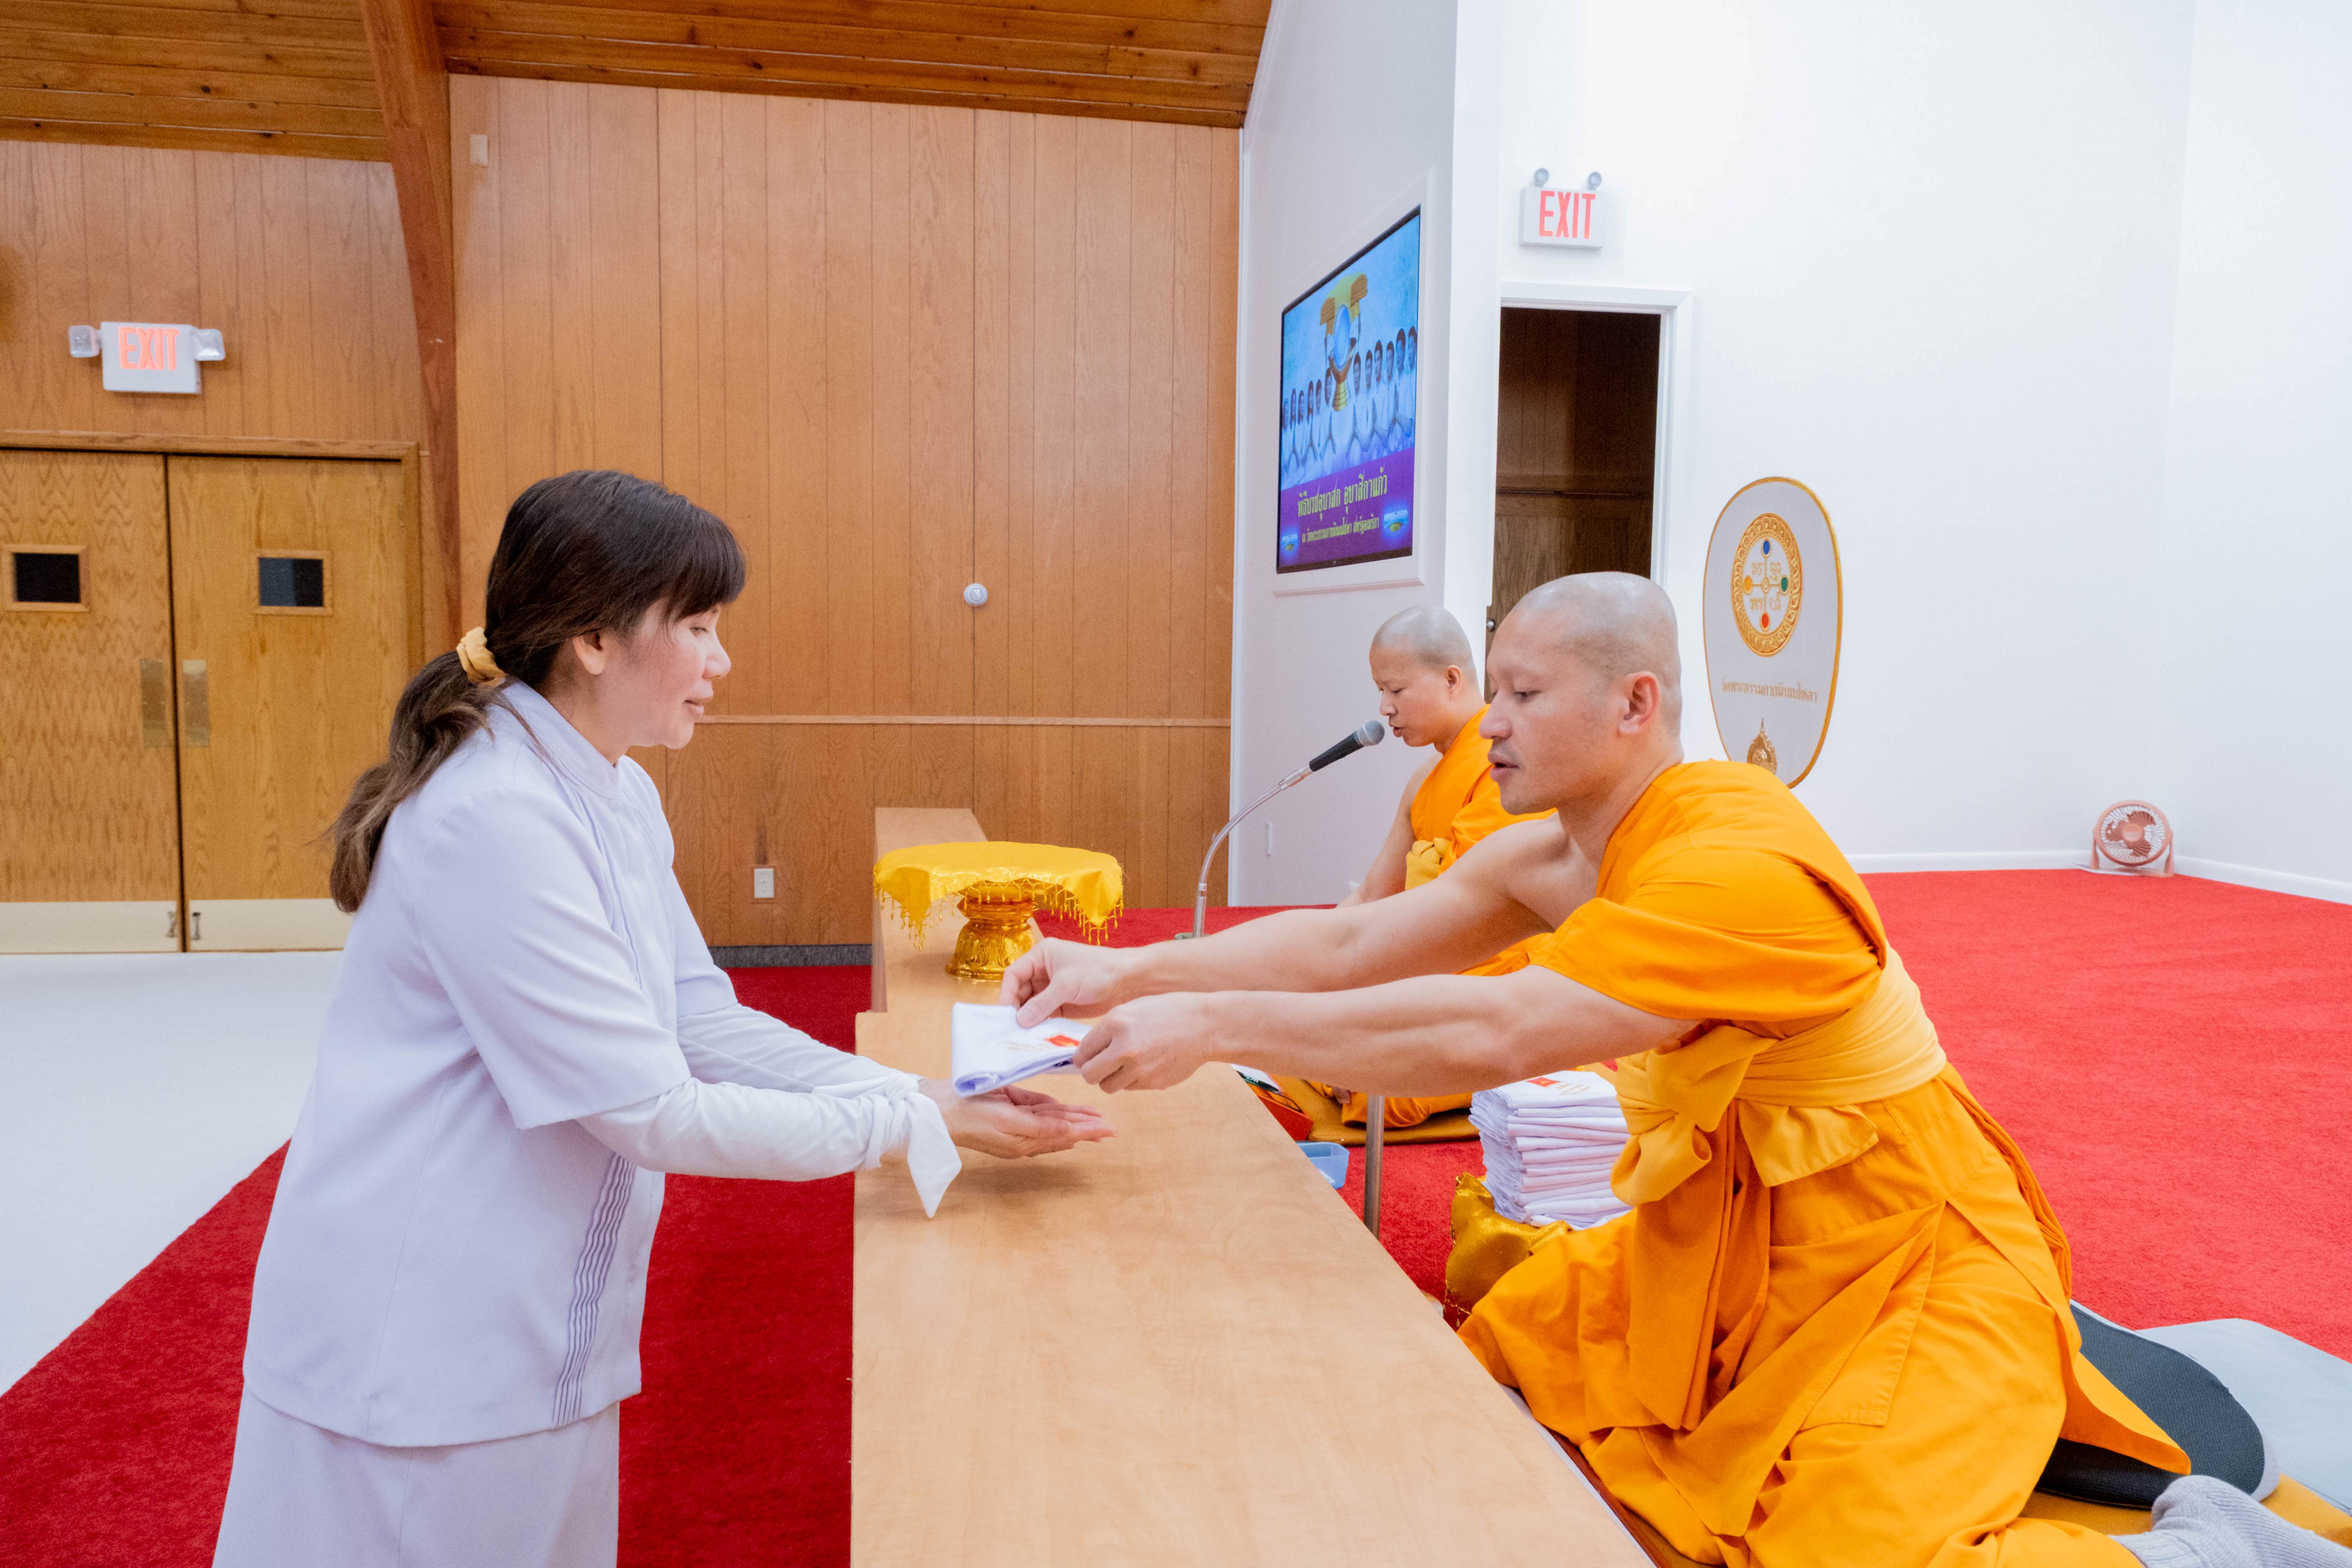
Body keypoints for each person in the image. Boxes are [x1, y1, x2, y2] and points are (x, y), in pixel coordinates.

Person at [998, 572, 2351, 1568]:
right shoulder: (1566, 841)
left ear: (1635, 702)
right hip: (1740, 1230)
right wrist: (1126, 973)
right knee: (1520, 1339)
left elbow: (1497, 1034)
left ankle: (2220, 1550)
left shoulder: (1735, 859)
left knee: (1842, 1547)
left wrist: (1222, 1028)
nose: (1495, 724)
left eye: (1524, 695)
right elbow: (1361, 936)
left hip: (1908, 1252)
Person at [213, 471, 1110, 1567]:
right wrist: (911, 1122)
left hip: (525, 1310)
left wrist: (921, 1098)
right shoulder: (495, 815)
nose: (720, 661)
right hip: (428, 1334)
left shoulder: (614, 788)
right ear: (594, 636)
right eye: (696, 625)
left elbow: (698, 1020)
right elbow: (650, 1111)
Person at [1315, 605, 1549, 1130]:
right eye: (1380, 691)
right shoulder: (1427, 777)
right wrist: (1309, 971)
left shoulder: (1505, 770)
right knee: (1303, 1045)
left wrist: (1369, 1009)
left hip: (1494, 992)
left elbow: (1474, 924)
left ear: (1450, 679)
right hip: (1429, 970)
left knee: (1369, 1087)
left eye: (1395, 691)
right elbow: (1374, 895)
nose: (1383, 708)